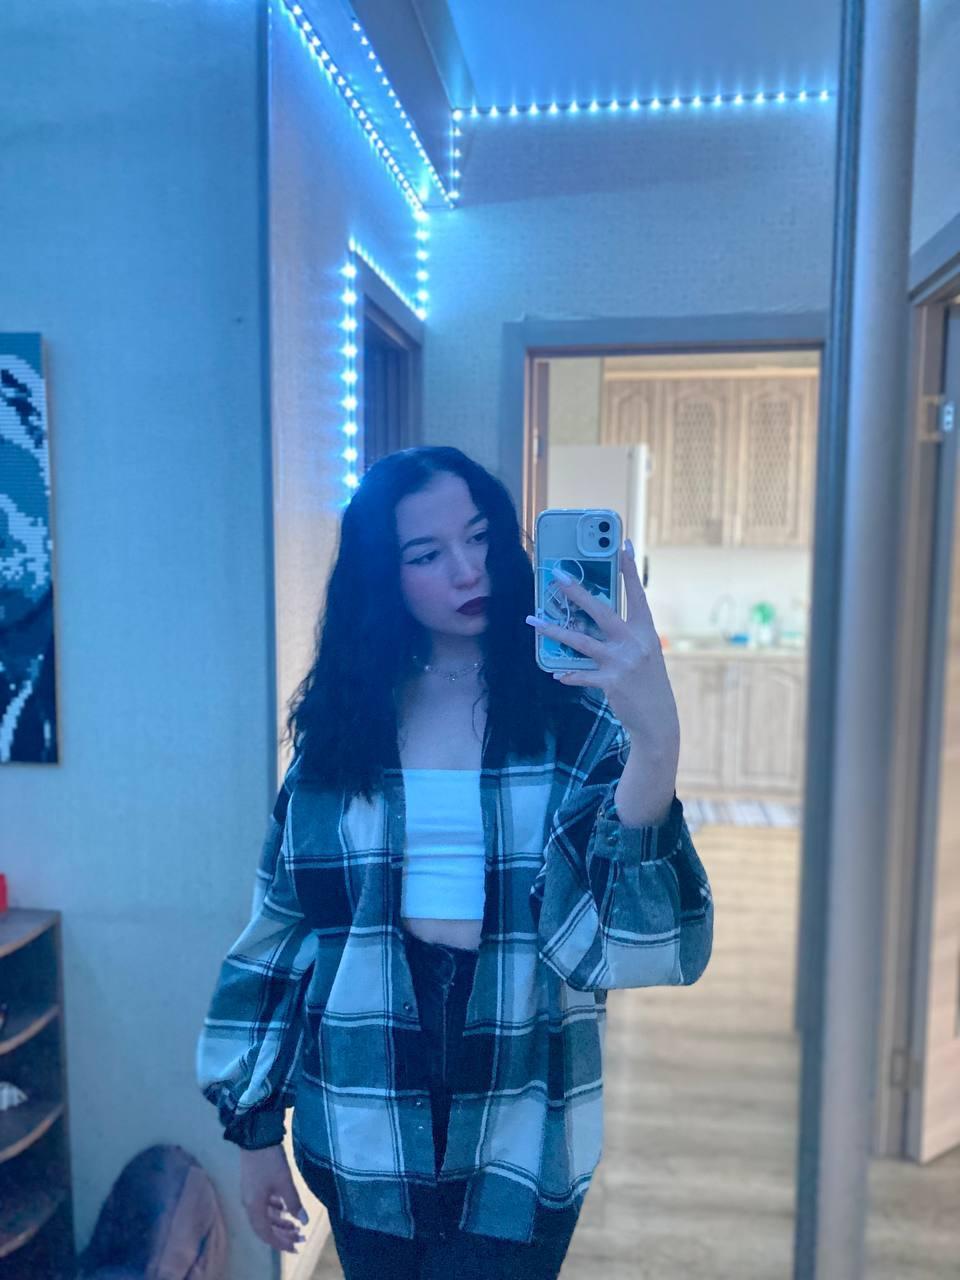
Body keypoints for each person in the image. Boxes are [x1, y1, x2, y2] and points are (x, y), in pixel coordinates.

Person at [196, 446, 714, 1280]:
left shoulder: (574, 717)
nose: (468, 569)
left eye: (479, 538)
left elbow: (634, 947)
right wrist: (254, 1133)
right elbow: (283, 931)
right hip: (362, 1094)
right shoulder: (343, 724)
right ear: (383, 576)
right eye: (427, 554)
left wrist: (656, 739)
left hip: (524, 1097)